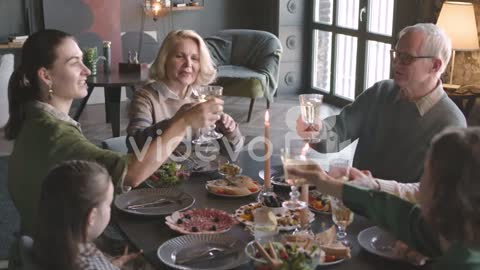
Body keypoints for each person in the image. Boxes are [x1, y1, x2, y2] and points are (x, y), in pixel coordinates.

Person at [4, 29, 223, 235]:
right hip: (62, 254)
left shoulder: (33, 119)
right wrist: (183, 122)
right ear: (46, 75)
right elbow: (133, 173)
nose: (87, 70)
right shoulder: (54, 133)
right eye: (74, 63)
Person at [288, 127, 480, 269]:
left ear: (441, 193)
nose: (420, 182)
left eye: (426, 173)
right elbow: (393, 210)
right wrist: (325, 182)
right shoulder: (452, 237)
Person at [298, 23, 466, 183]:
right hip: (355, 205)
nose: (396, 63)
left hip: (402, 212)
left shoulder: (451, 123)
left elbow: (437, 196)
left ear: (435, 66)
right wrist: (315, 130)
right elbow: (335, 138)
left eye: (406, 58)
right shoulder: (381, 92)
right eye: (396, 54)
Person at [127, 29, 244, 153]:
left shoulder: (201, 95)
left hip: (200, 168)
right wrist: (179, 121)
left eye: (195, 58)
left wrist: (230, 130)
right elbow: (134, 143)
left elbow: (233, 150)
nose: (188, 64)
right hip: (161, 170)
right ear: (165, 60)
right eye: (179, 56)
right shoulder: (146, 97)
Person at [33, 160, 140, 270]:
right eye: (108, 205)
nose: (110, 210)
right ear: (92, 217)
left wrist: (112, 266)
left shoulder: (49, 244)